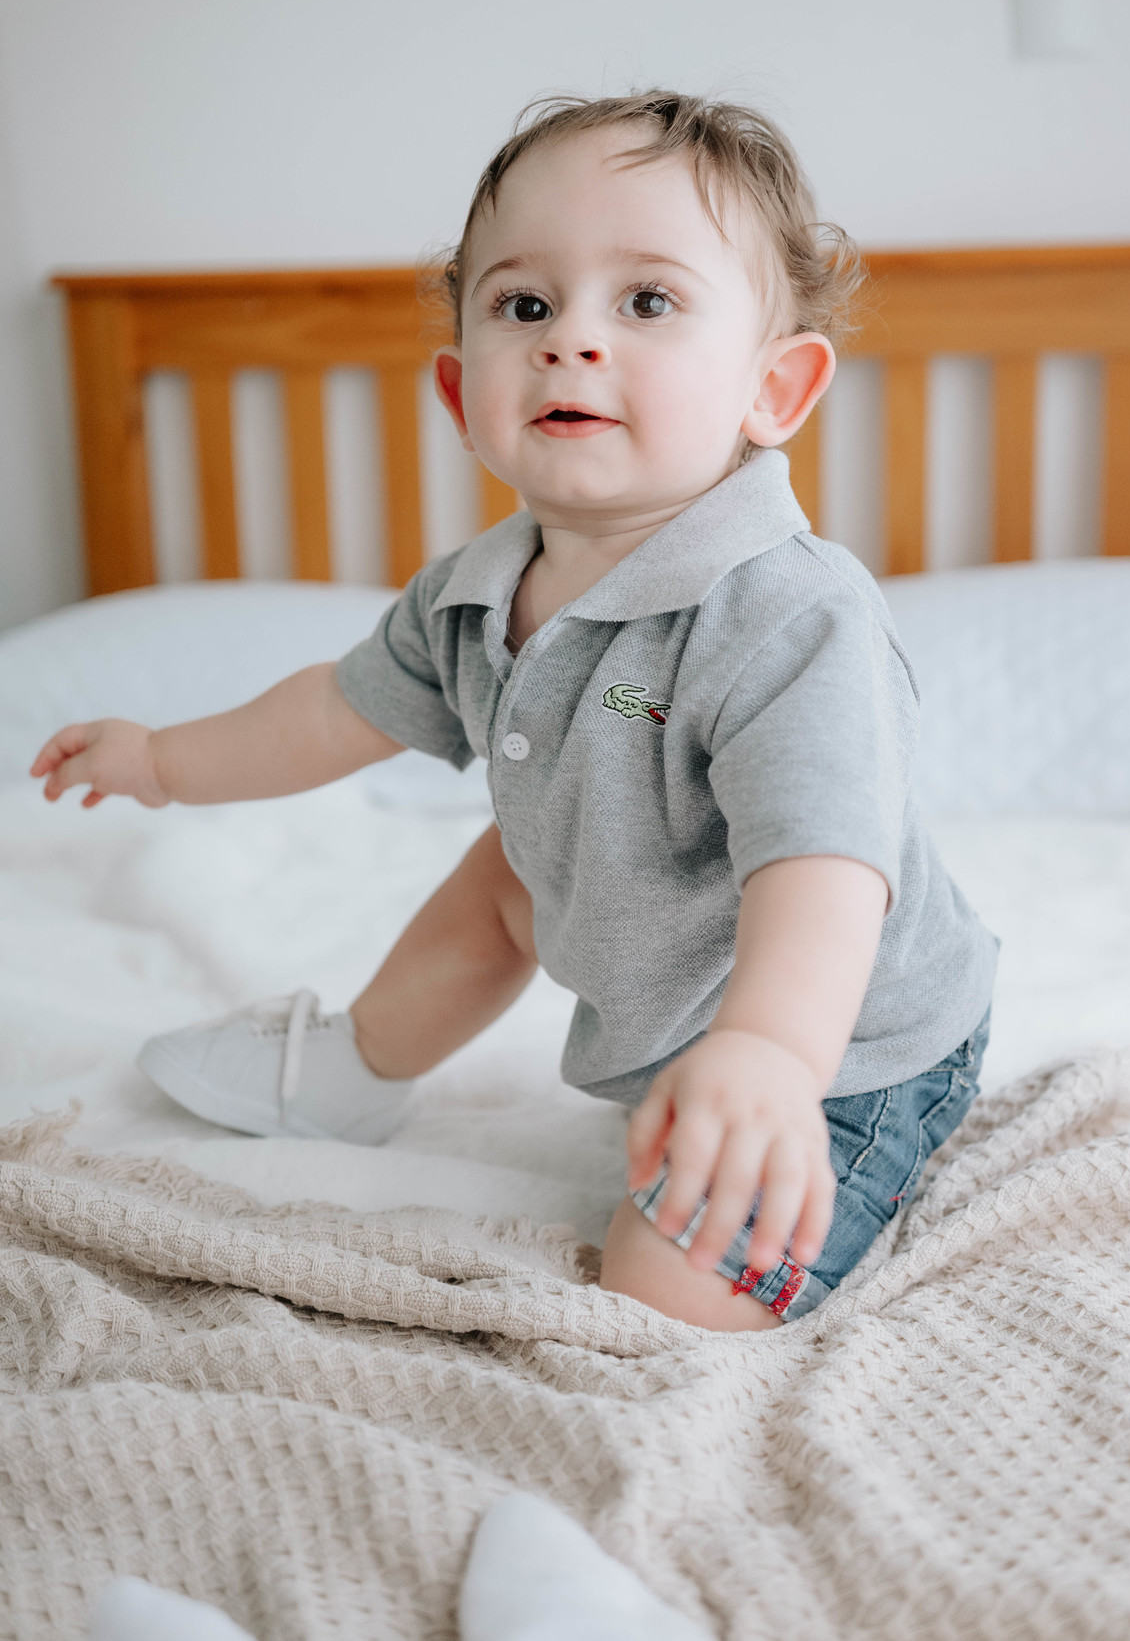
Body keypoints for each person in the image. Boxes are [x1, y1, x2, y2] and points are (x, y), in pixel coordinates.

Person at [31, 92, 996, 1332]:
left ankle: (821, 1138)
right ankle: (356, 1066)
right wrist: (165, 759)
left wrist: (767, 1052)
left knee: (663, 1297)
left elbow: (824, 870)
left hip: (843, 1049)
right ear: (458, 391)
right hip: (665, 975)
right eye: (525, 305)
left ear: (775, 389)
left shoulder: (789, 618)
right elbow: (332, 710)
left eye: (647, 300)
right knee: (510, 864)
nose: (570, 339)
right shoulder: (475, 595)